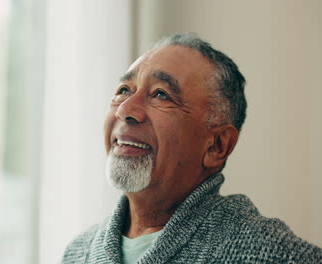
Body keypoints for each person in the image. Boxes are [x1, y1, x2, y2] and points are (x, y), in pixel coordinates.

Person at [61, 33, 322, 264]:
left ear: (216, 146)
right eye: (123, 90)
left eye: (161, 94)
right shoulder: (77, 252)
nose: (126, 109)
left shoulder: (271, 252)